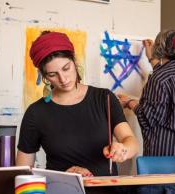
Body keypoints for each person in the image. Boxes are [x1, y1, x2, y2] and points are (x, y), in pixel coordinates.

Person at [16, 31, 139, 194]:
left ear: (74, 61)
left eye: (66, 68)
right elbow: (23, 173)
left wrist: (122, 149)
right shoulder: (35, 113)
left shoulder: (104, 98)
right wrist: (63, 178)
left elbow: (131, 141)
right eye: (53, 74)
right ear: (44, 76)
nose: (63, 79)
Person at [118, 29, 175, 156]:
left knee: (160, 177)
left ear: (161, 48)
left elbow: (147, 118)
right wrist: (151, 58)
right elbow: (166, 75)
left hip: (168, 147)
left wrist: (130, 102)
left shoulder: (159, 77)